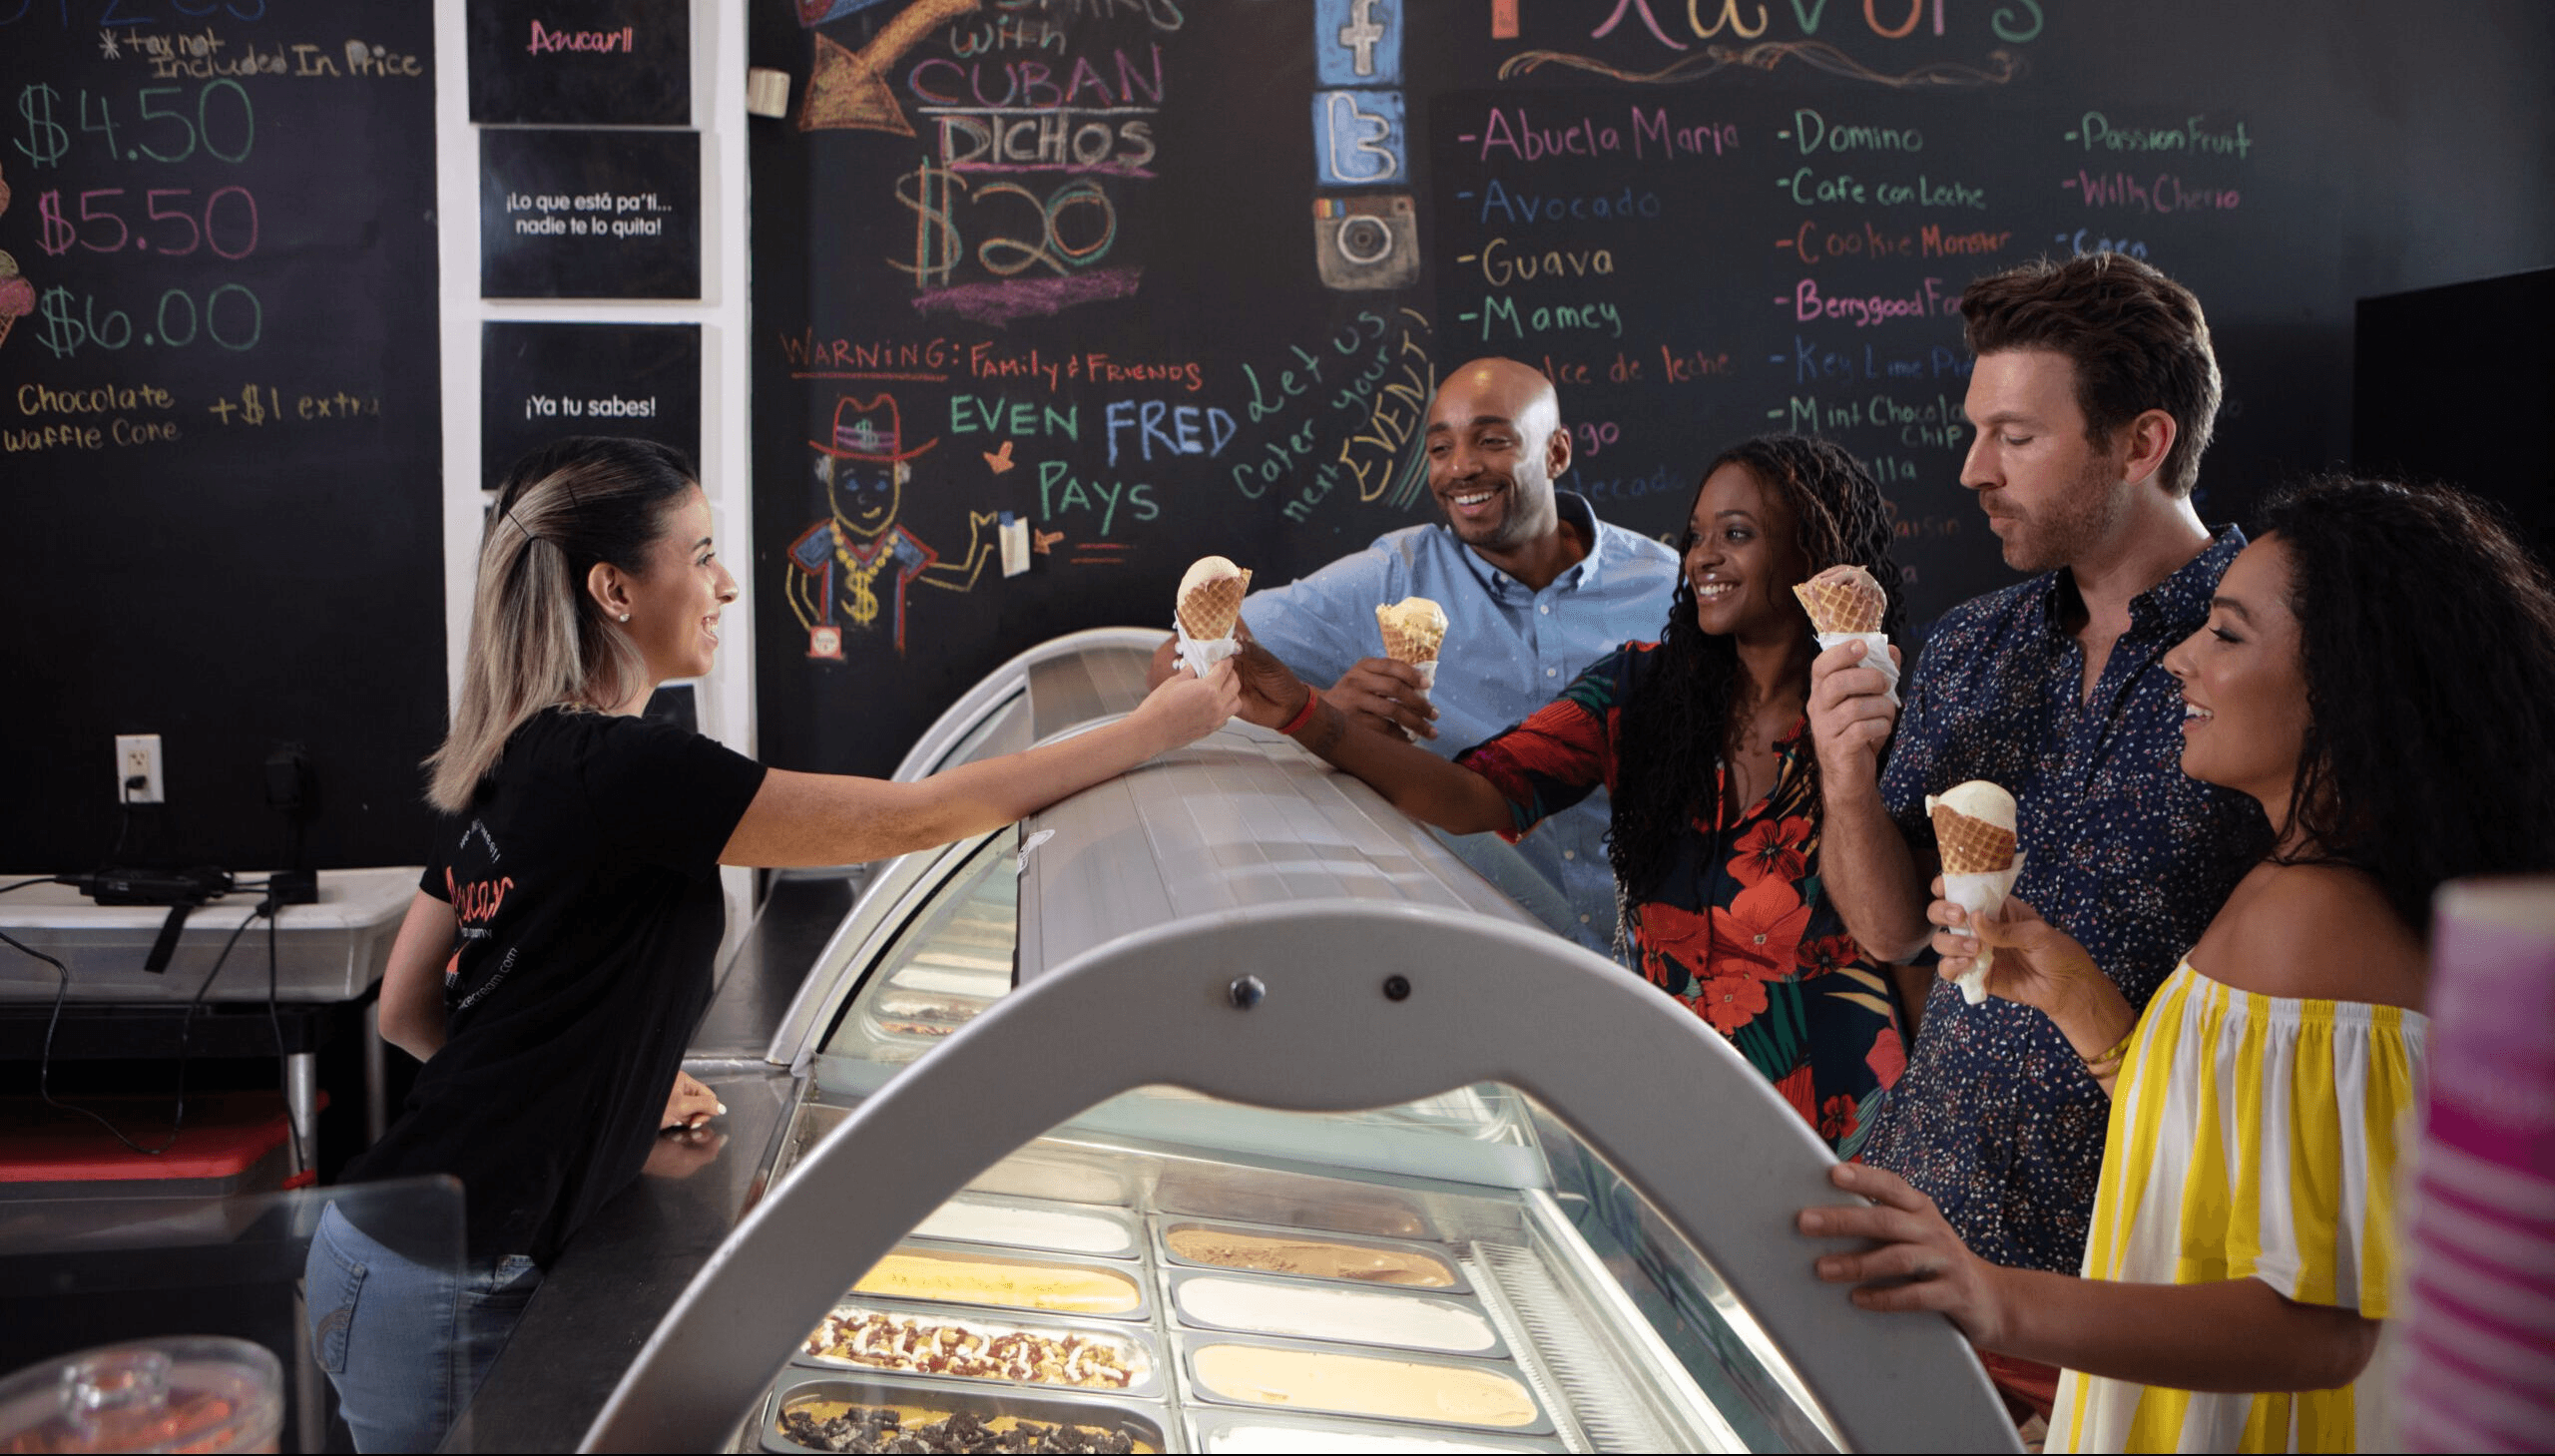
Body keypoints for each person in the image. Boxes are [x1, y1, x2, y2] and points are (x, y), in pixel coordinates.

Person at [309, 437, 1236, 1452]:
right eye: (700, 553)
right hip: (450, 1280)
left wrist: (605, 1089)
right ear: (614, 588)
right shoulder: (629, 768)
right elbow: (910, 818)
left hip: (390, 1243)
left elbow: (411, 1011)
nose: (726, 586)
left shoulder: (516, 751)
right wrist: (1156, 726)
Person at [1798, 476, 2555, 1453]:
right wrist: (2070, 990)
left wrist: (1993, 1297)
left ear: (2352, 684)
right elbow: (2212, 1158)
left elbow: (2319, 1326)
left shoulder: (2316, 920)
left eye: (2227, 635)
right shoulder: (2292, 884)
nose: (2181, 661)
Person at [1806, 255, 2273, 1416]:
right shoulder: (1971, 647)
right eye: (1976, 431)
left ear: (2141, 440)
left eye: (2014, 436)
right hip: (1925, 1223)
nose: (1971, 470)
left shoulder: (2270, 660)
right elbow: (1885, 929)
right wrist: (1845, 772)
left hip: (2132, 1269)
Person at [1231, 435, 1909, 1153]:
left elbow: (1910, 954)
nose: (1703, 557)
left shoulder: (1886, 716)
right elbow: (1473, 794)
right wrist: (1304, 713)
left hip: (1847, 1132)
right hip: (1672, 1113)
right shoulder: (1637, 692)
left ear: (1812, 555)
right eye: (1696, 536)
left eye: (1736, 535)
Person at [1153, 356, 1678, 952]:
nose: (1460, 468)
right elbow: (1177, 660)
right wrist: (1324, 706)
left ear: (1556, 453)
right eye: (1439, 449)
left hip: (1669, 955)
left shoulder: (1668, 587)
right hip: (1477, 953)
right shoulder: (1389, 578)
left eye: (1492, 441)